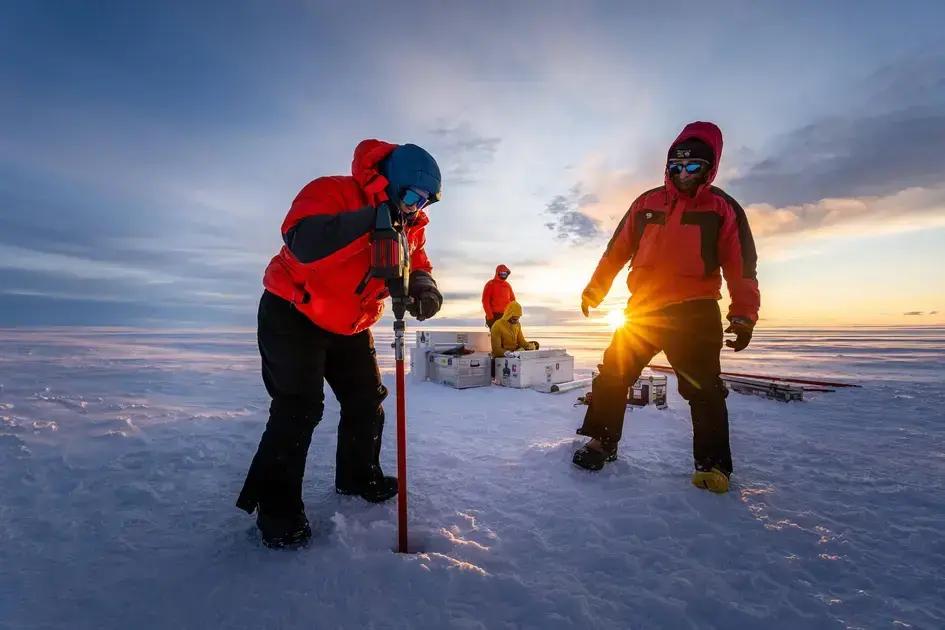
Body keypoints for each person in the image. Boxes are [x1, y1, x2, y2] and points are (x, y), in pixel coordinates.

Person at [236, 140, 444, 548]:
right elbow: (302, 240)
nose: (415, 206)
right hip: (292, 311)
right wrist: (371, 219)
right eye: (408, 196)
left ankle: (358, 475)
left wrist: (425, 287)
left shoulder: (411, 226)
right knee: (299, 408)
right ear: (388, 183)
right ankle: (277, 513)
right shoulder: (332, 191)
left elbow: (418, 262)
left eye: (425, 201)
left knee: (367, 400)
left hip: (349, 323)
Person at [573, 121, 760, 494]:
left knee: (703, 389)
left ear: (710, 168)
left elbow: (741, 266)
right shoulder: (646, 203)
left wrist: (743, 314)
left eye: (693, 167)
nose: (683, 173)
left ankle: (712, 464)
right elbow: (616, 252)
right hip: (642, 311)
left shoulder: (722, 208)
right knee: (613, 374)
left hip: (695, 311)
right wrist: (594, 291)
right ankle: (601, 441)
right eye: (677, 166)